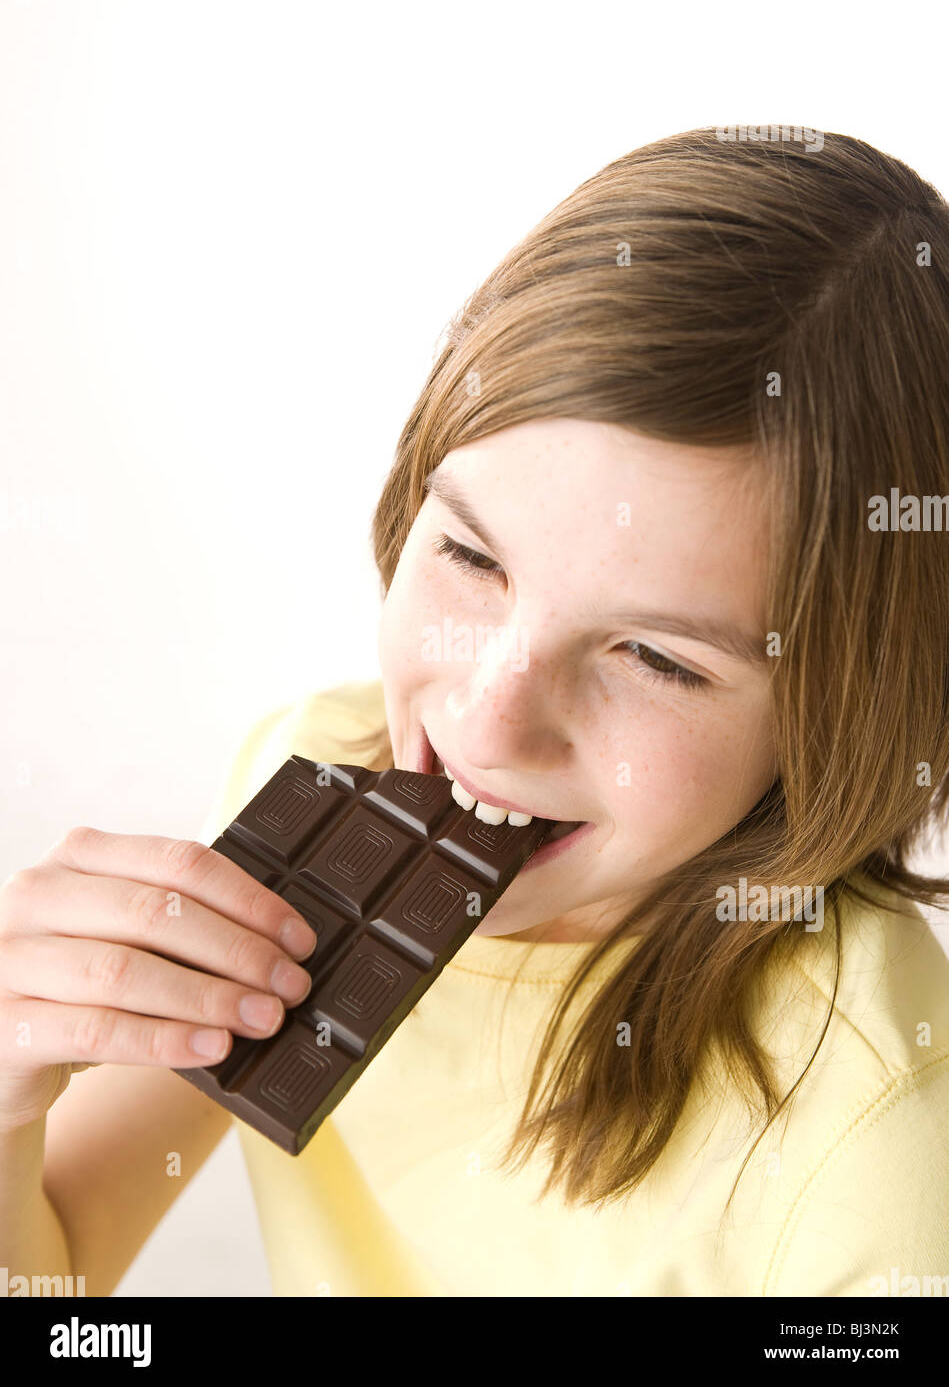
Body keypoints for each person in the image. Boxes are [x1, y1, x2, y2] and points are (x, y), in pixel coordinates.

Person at [2, 126, 948, 1297]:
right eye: (469, 555)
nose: (488, 720)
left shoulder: (869, 1126)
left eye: (652, 656)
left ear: (844, 717)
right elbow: (57, 1275)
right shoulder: (311, 776)